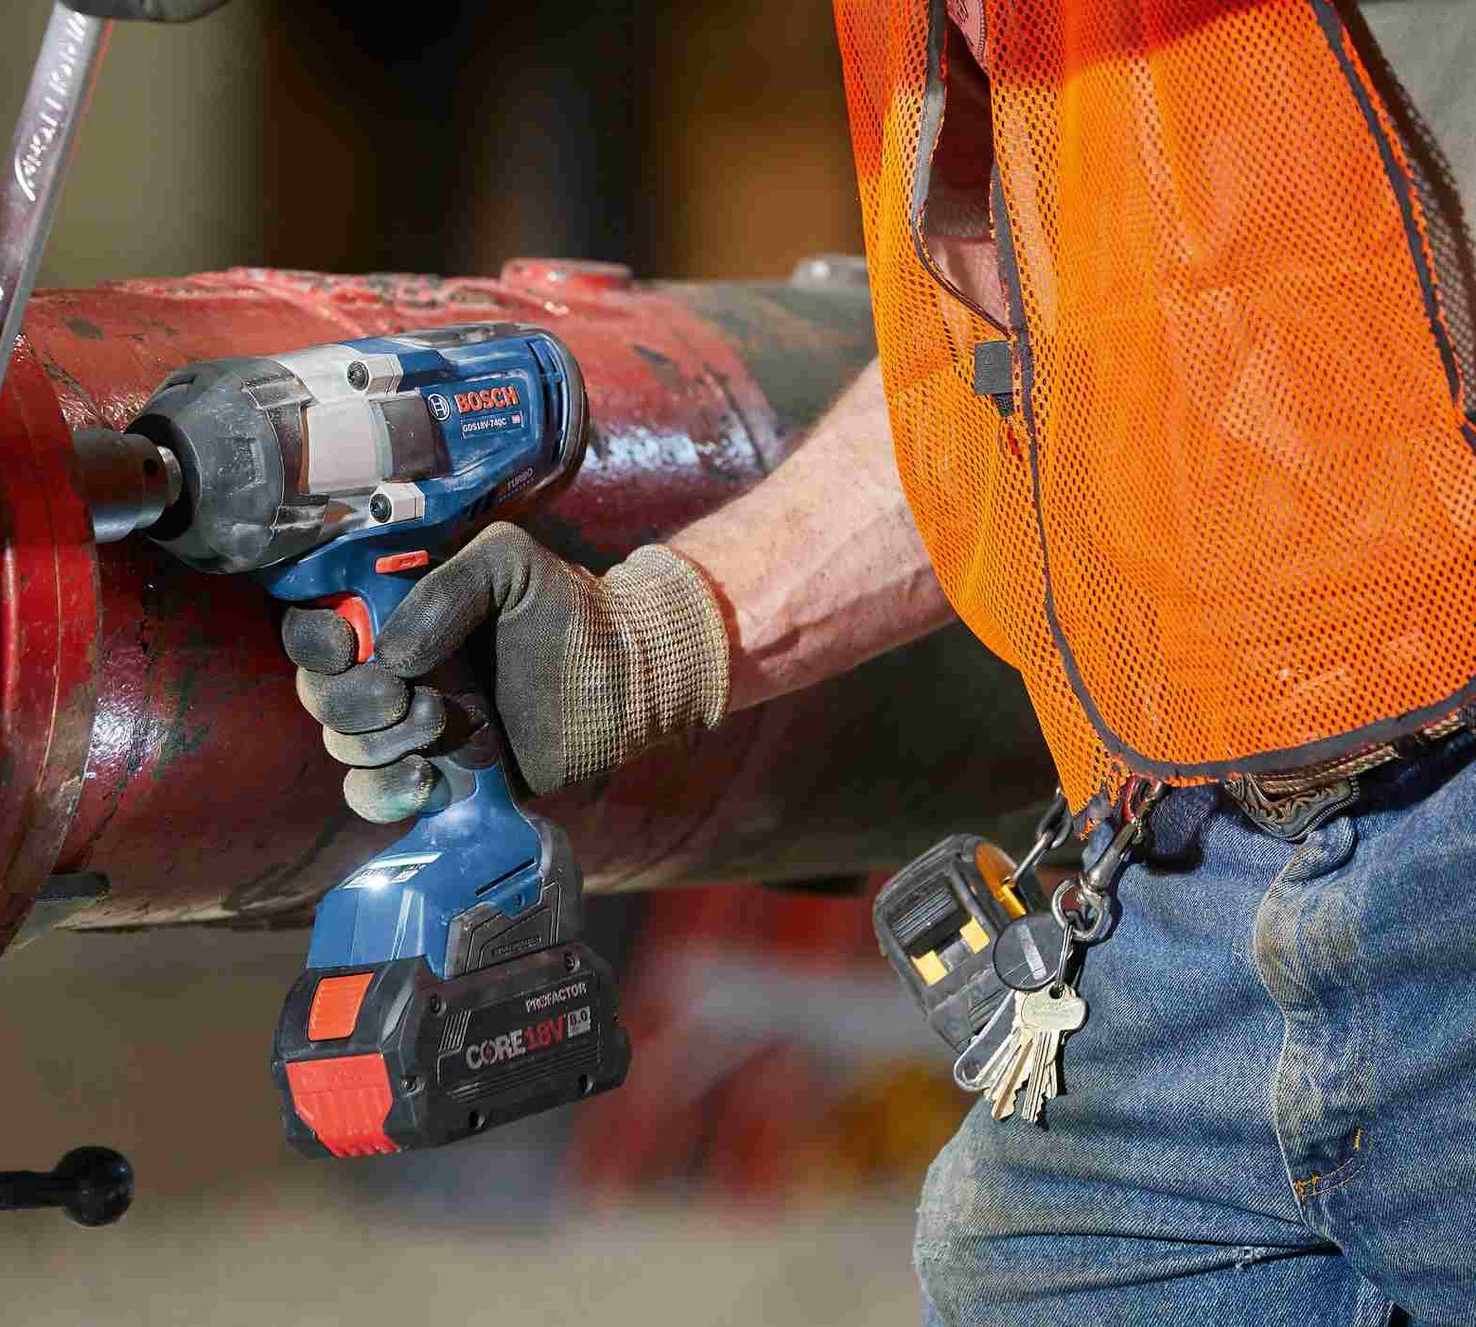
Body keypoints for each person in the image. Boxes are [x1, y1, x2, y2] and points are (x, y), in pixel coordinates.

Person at [284, 1, 1476, 1323]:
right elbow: (1044, 376)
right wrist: (650, 641)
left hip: (1452, 835)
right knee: (1043, 1275)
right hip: (1189, 872)